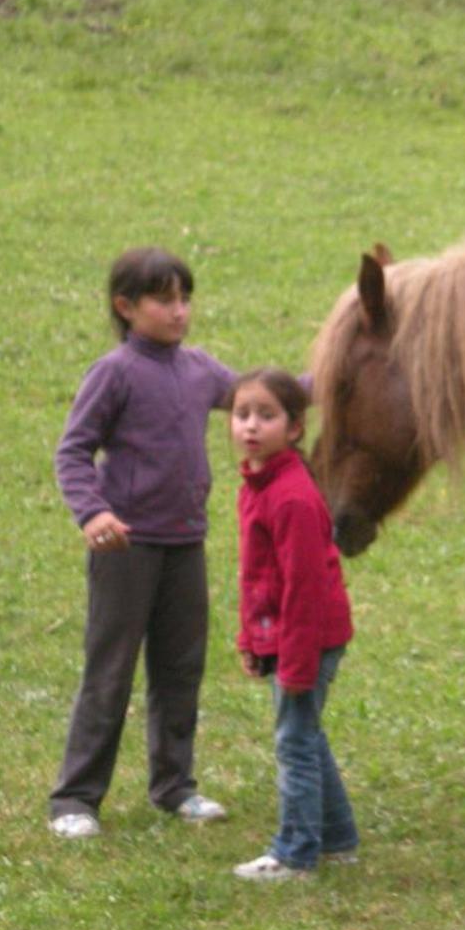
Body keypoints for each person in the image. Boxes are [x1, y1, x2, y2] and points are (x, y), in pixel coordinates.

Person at [49, 247, 234, 838]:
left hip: (187, 545)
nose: (180, 311)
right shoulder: (115, 373)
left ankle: (174, 786)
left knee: (181, 668)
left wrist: (327, 379)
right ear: (125, 307)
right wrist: (93, 512)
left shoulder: (201, 369)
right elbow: (73, 451)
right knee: (111, 671)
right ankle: (75, 799)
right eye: (165, 300)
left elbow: (262, 394)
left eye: (185, 298)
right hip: (125, 551)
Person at [227, 367, 357, 881]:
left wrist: (296, 665)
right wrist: (250, 638)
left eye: (267, 415)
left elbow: (304, 591)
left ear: (296, 427)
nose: (251, 426)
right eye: (242, 415)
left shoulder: (292, 498)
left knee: (294, 742)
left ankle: (296, 853)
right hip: (285, 635)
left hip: (308, 638)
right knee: (306, 734)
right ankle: (339, 837)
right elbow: (258, 578)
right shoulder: (258, 484)